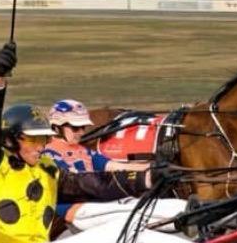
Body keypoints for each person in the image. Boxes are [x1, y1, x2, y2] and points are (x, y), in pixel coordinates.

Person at [0, 40, 197, 243]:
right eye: (34, 140)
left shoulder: (46, 171)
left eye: (44, 139)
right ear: (9, 140)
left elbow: (95, 183)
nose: (42, 146)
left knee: (119, 229)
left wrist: (147, 177)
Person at [41, 98, 187, 231]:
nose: (80, 132)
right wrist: (144, 178)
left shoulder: (83, 150)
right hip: (74, 210)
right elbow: (77, 183)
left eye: (83, 127)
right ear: (57, 127)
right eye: (75, 128)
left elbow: (114, 165)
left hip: (99, 202)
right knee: (132, 213)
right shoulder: (48, 154)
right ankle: (182, 221)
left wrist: (154, 168)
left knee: (141, 203)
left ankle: (189, 211)